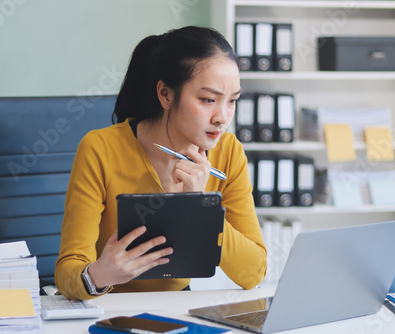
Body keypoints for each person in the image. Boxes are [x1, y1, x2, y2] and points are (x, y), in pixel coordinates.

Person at [55, 26, 267, 300]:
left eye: (232, 101)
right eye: (208, 100)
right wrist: (100, 274)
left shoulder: (229, 152)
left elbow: (253, 272)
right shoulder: (100, 149)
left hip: (178, 307)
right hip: (107, 304)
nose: (222, 117)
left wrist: (201, 207)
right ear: (166, 95)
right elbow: (66, 273)